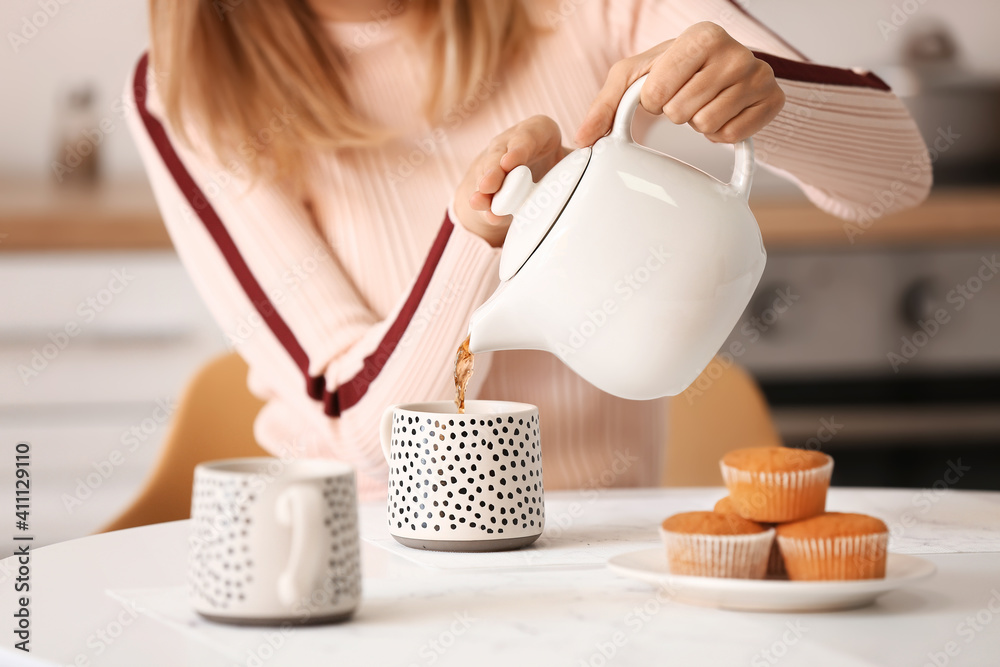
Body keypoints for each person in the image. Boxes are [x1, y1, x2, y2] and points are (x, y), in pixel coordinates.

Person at [126, 0, 931, 500]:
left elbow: (896, 179)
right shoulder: (192, 89)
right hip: (363, 576)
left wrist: (768, 97)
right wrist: (481, 234)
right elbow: (371, 436)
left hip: (604, 563)